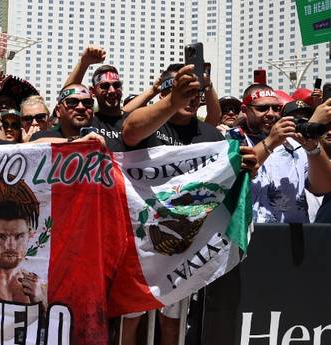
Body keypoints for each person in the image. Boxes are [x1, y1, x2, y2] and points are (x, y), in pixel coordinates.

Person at [122, 64, 259, 345]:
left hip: (182, 248)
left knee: (172, 324)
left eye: (196, 92)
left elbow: (227, 180)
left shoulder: (211, 135)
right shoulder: (150, 123)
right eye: (183, 90)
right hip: (139, 245)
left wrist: (248, 167)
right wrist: (173, 101)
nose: (190, 97)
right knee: (131, 321)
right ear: (166, 92)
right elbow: (130, 132)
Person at [240, 84, 331, 223]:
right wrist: (271, 141)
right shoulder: (231, 138)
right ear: (245, 110)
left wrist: (313, 148)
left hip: (291, 238)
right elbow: (236, 175)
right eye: (262, 108)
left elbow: (323, 186)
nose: (270, 114)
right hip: (245, 238)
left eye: (276, 108)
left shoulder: (294, 144)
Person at [29, 84, 105, 146]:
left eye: (87, 102)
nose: (81, 107)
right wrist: (77, 142)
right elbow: (29, 147)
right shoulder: (41, 137)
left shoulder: (103, 139)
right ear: (58, 111)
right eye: (72, 102)